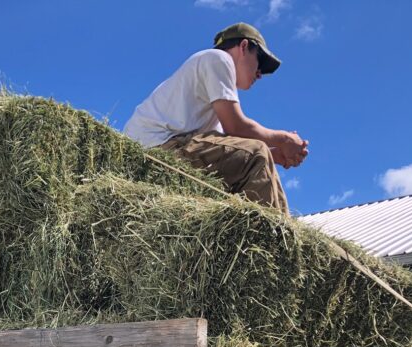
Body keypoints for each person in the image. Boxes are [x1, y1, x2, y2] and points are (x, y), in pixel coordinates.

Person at [124, 22, 308, 214]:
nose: (260, 74)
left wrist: (273, 155)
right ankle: (277, 238)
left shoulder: (214, 99)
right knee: (256, 153)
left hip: (164, 148)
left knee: (257, 155)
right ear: (244, 46)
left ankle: (280, 233)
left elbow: (231, 144)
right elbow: (236, 127)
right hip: (156, 149)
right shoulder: (218, 58)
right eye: (260, 61)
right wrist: (284, 139)